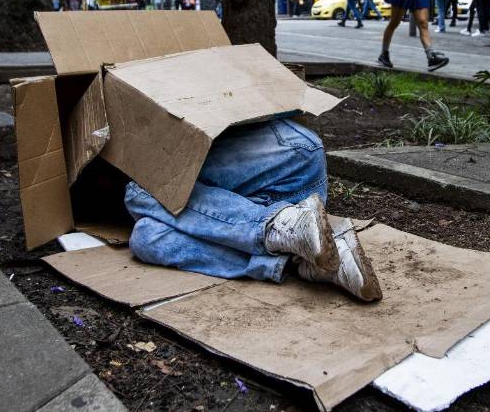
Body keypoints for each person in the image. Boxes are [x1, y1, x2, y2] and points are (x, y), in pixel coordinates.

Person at [125, 119, 382, 302]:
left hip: (291, 156)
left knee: (142, 189)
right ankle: (306, 258)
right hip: (264, 194)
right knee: (145, 236)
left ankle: (282, 226)